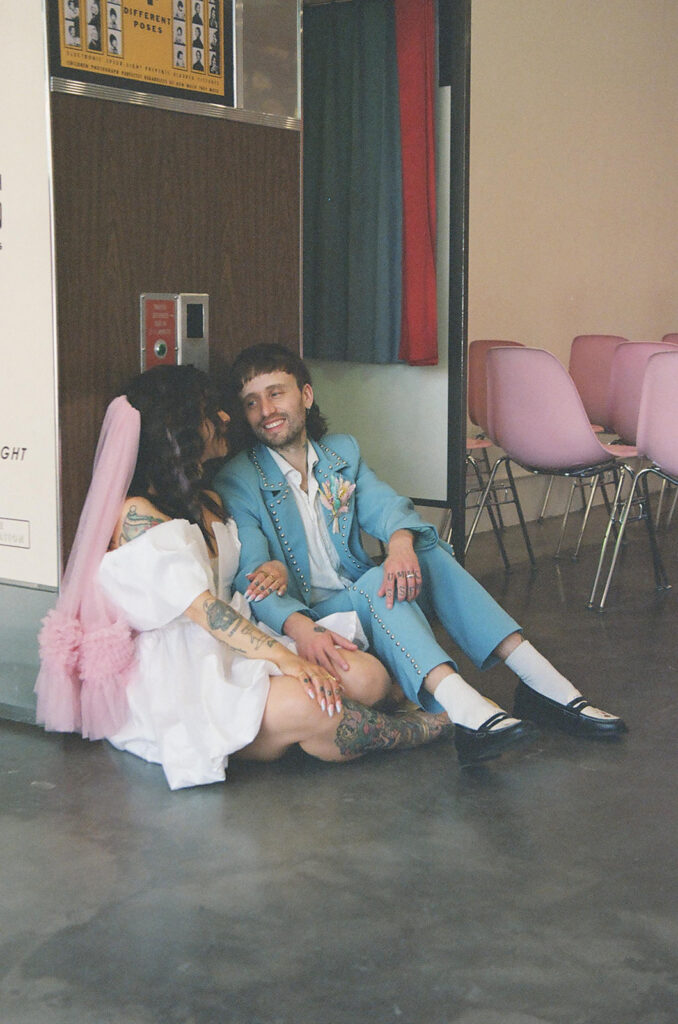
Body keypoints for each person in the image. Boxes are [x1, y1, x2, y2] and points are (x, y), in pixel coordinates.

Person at [35, 366, 452, 791]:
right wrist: (287, 660)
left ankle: (311, 726)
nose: (227, 418)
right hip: (185, 671)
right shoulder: (135, 515)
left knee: (368, 678)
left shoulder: (209, 498)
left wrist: (273, 570)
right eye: (208, 412)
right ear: (179, 430)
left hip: (239, 644)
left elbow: (232, 577)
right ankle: (409, 731)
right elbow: (205, 609)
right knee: (316, 707)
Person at [215, 344, 627, 766]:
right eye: (252, 402)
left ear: (305, 395)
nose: (266, 410)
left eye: (276, 393)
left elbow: (387, 505)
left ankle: (544, 684)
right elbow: (255, 577)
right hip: (312, 617)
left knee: (421, 546)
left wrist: (399, 545)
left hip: (359, 596)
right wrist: (299, 626)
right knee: (379, 581)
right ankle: (463, 706)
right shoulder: (240, 479)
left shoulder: (342, 452)